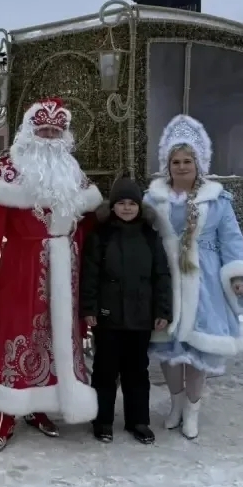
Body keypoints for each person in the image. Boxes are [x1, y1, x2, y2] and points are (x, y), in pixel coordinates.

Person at [0, 97, 106, 452]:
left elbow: (90, 220)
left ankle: (39, 407)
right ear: (30, 131)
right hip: (22, 267)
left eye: (55, 132)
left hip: (66, 270)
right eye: (43, 130)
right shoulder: (9, 168)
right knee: (16, 332)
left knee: (55, 338)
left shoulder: (72, 171)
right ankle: (6, 413)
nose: (49, 137)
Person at [144, 114, 243, 440]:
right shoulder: (152, 199)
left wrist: (237, 276)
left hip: (204, 280)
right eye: (176, 162)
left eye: (187, 161)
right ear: (167, 165)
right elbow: (142, 237)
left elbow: (232, 241)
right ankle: (176, 404)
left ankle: (193, 409)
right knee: (168, 347)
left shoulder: (218, 200)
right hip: (166, 278)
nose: (181, 167)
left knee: (198, 348)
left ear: (198, 163)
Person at [79, 175, 172, 445]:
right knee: (105, 369)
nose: (127, 208)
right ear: (113, 206)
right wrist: (89, 308)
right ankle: (102, 420)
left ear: (139, 206)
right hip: (108, 315)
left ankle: (138, 420)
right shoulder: (101, 235)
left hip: (141, 316)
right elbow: (90, 276)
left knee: (137, 370)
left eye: (132, 203)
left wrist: (162, 311)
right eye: (122, 203)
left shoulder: (150, 236)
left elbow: (161, 276)